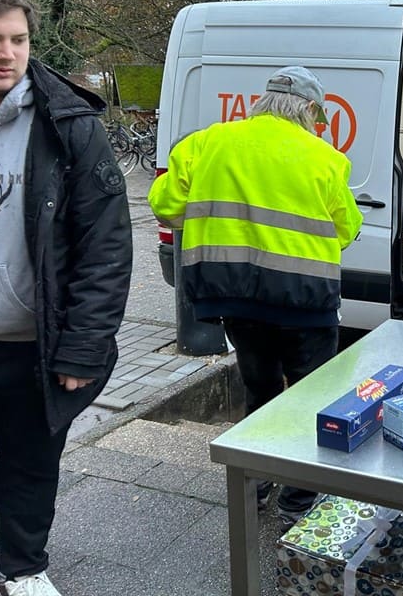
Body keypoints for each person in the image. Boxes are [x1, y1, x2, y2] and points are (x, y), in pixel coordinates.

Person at [149, 65, 362, 524]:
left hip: (234, 299)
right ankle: (298, 501)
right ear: (308, 110)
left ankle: (257, 485)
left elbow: (164, 205)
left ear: (260, 102)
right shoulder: (324, 158)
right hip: (306, 305)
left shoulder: (205, 143)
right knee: (309, 399)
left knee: (261, 391)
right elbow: (347, 229)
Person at [0, 0, 132, 596]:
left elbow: (106, 246)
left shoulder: (68, 124)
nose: (7, 52)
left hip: (34, 345)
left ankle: (24, 570)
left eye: (18, 38)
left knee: (32, 465)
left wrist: (84, 345)